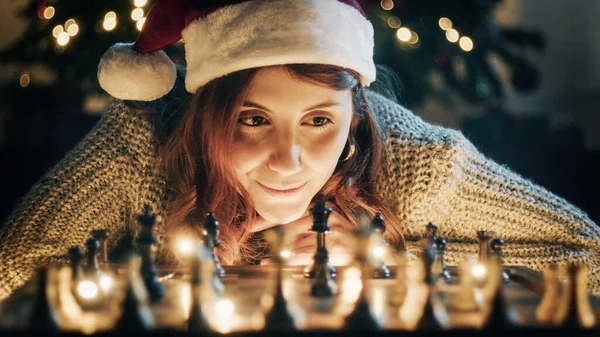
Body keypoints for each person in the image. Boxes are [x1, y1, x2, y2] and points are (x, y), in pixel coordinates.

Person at [1, 0, 599, 301]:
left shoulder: (418, 160)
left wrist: (387, 250)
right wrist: (182, 256)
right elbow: (11, 273)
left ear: (355, 118)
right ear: (205, 113)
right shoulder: (143, 142)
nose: (289, 160)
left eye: (318, 120)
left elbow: (588, 254)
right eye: (253, 118)